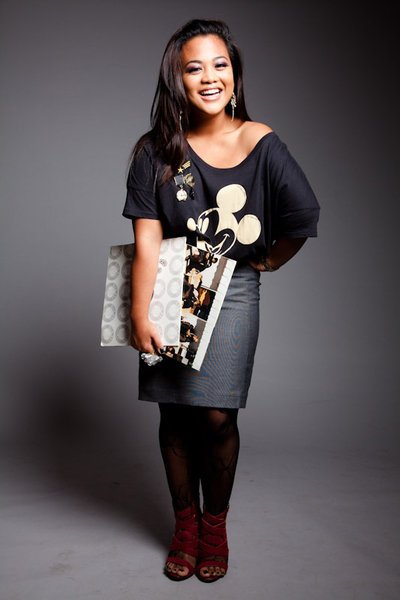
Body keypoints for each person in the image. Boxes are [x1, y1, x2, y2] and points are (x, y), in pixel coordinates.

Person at [122, 19, 320, 583]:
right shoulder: (155, 150)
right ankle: (184, 527)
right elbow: (147, 242)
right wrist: (139, 311)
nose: (209, 77)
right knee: (174, 414)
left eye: (220, 65)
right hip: (168, 285)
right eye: (194, 67)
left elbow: (303, 214)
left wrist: (269, 262)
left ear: (234, 75)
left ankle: (215, 526)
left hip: (232, 288)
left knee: (215, 414)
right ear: (177, 79)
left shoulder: (261, 141)